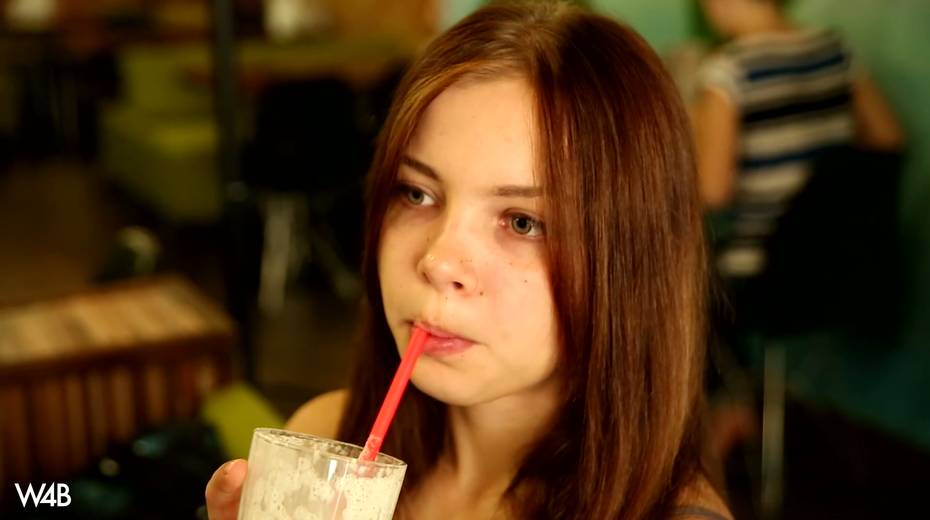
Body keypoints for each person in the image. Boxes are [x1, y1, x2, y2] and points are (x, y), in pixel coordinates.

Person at [206, 2, 732, 519]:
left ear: (630, 259)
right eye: (416, 193)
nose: (438, 261)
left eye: (522, 222)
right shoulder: (323, 441)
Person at [692, 0, 905, 276]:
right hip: (843, 255)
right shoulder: (835, 50)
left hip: (765, 265)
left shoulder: (728, 72)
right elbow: (889, 139)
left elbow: (713, 192)